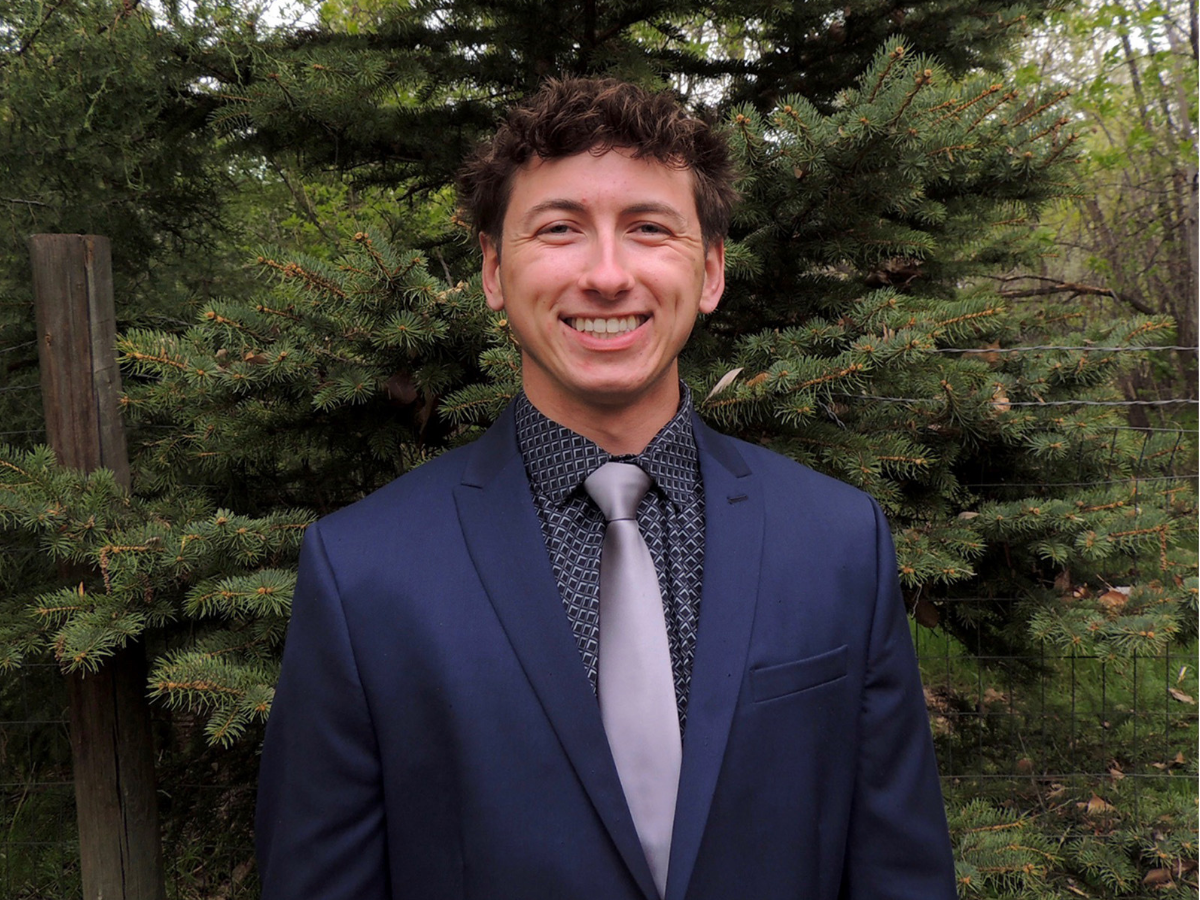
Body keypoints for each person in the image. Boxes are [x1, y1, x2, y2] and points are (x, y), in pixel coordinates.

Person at [255, 77, 957, 900]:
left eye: (649, 229)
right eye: (559, 230)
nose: (607, 274)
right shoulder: (360, 571)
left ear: (710, 272)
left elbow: (899, 872)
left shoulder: (840, 540)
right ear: (491, 271)